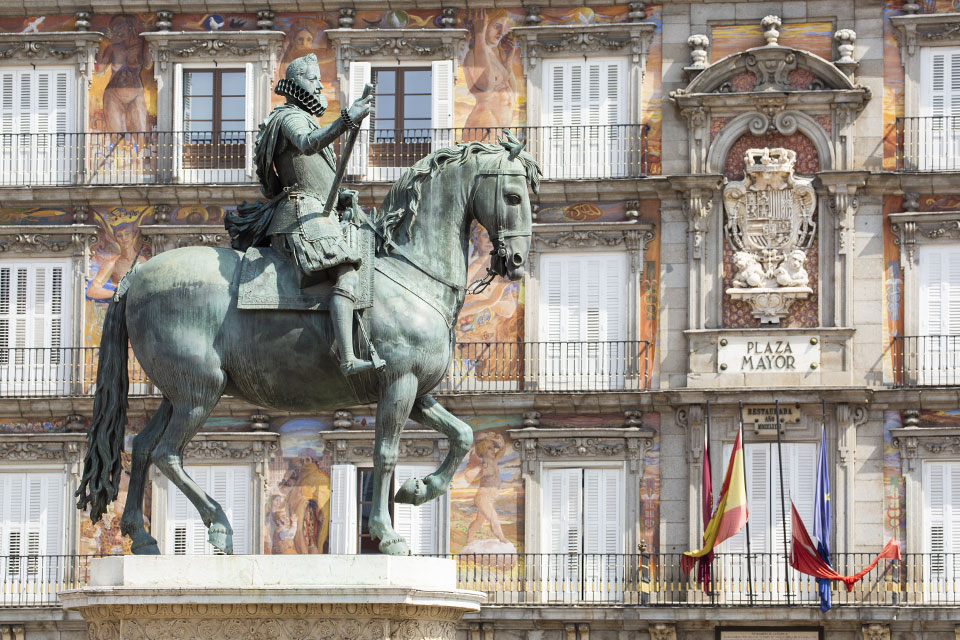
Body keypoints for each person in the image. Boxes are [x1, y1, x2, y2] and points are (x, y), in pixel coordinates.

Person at [225, 54, 379, 375]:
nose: (320, 85)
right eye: (313, 79)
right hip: (301, 215)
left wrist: (341, 196)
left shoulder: (304, 118)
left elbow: (318, 176)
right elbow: (307, 145)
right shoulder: (288, 117)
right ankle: (348, 358)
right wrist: (347, 119)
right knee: (346, 272)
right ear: (297, 84)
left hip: (318, 212)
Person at [463, 10, 520, 132]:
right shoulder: (473, 55)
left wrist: (507, 62)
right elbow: (486, 85)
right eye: (497, 26)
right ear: (483, 25)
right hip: (484, 127)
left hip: (499, 130)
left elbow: (512, 95)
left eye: (503, 27)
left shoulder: (492, 55)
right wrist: (479, 34)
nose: (501, 33)